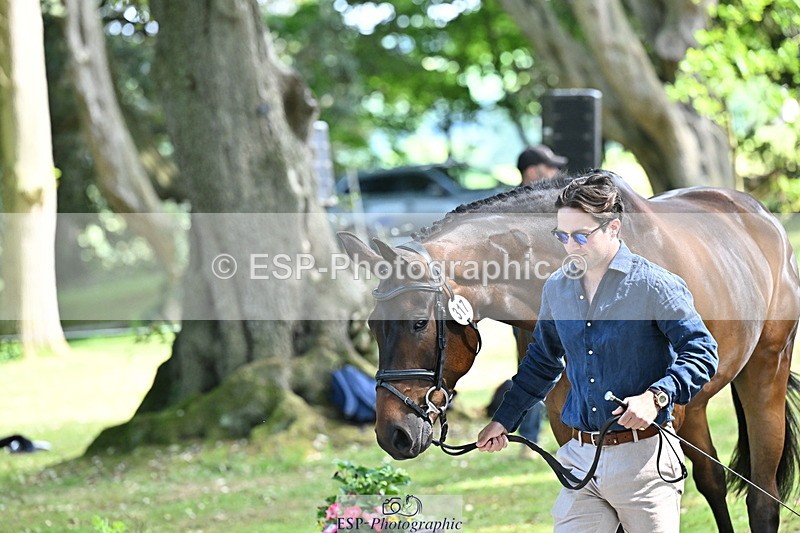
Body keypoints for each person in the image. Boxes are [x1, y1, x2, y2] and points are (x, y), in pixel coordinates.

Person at [476, 171, 718, 532]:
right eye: (563, 236)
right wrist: (504, 419)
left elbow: (702, 352)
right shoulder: (557, 287)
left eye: (581, 236)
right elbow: (543, 361)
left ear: (613, 228)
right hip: (580, 459)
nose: (570, 246)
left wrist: (656, 397)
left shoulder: (655, 285)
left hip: (645, 460)